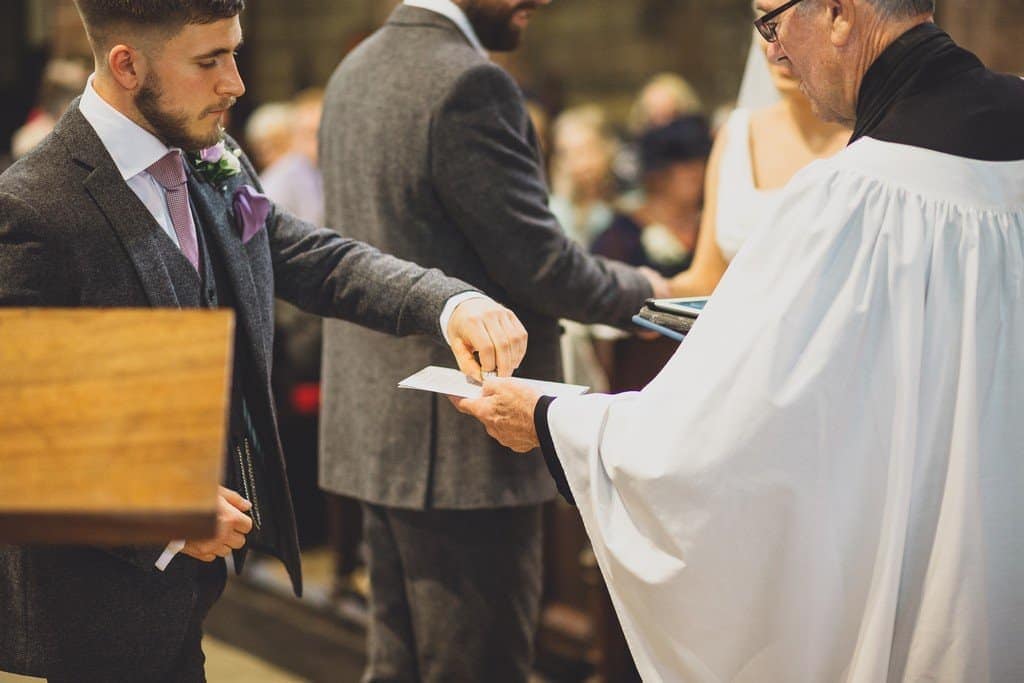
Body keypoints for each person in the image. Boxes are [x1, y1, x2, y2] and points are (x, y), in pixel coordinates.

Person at [455, 1, 1024, 680]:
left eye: (771, 22)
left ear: (840, 12)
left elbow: (715, 438)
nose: (774, 55)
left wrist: (552, 419)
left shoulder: (850, 197)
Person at [0, 1, 528, 681]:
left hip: (198, 580)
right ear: (128, 64)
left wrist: (445, 301)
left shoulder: (213, 157)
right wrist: (159, 511)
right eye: (209, 60)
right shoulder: (33, 204)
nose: (236, 83)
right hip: (97, 599)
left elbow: (302, 252)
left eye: (235, 53)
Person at [317, 0, 667, 680]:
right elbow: (539, 265)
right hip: (462, 446)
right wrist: (652, 292)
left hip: (376, 430)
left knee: (396, 666)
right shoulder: (469, 81)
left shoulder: (352, 70)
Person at [668, 27, 849, 299]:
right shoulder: (737, 135)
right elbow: (706, 278)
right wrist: (633, 289)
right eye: (766, 23)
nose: (774, 46)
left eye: (790, 21)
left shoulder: (869, 138)